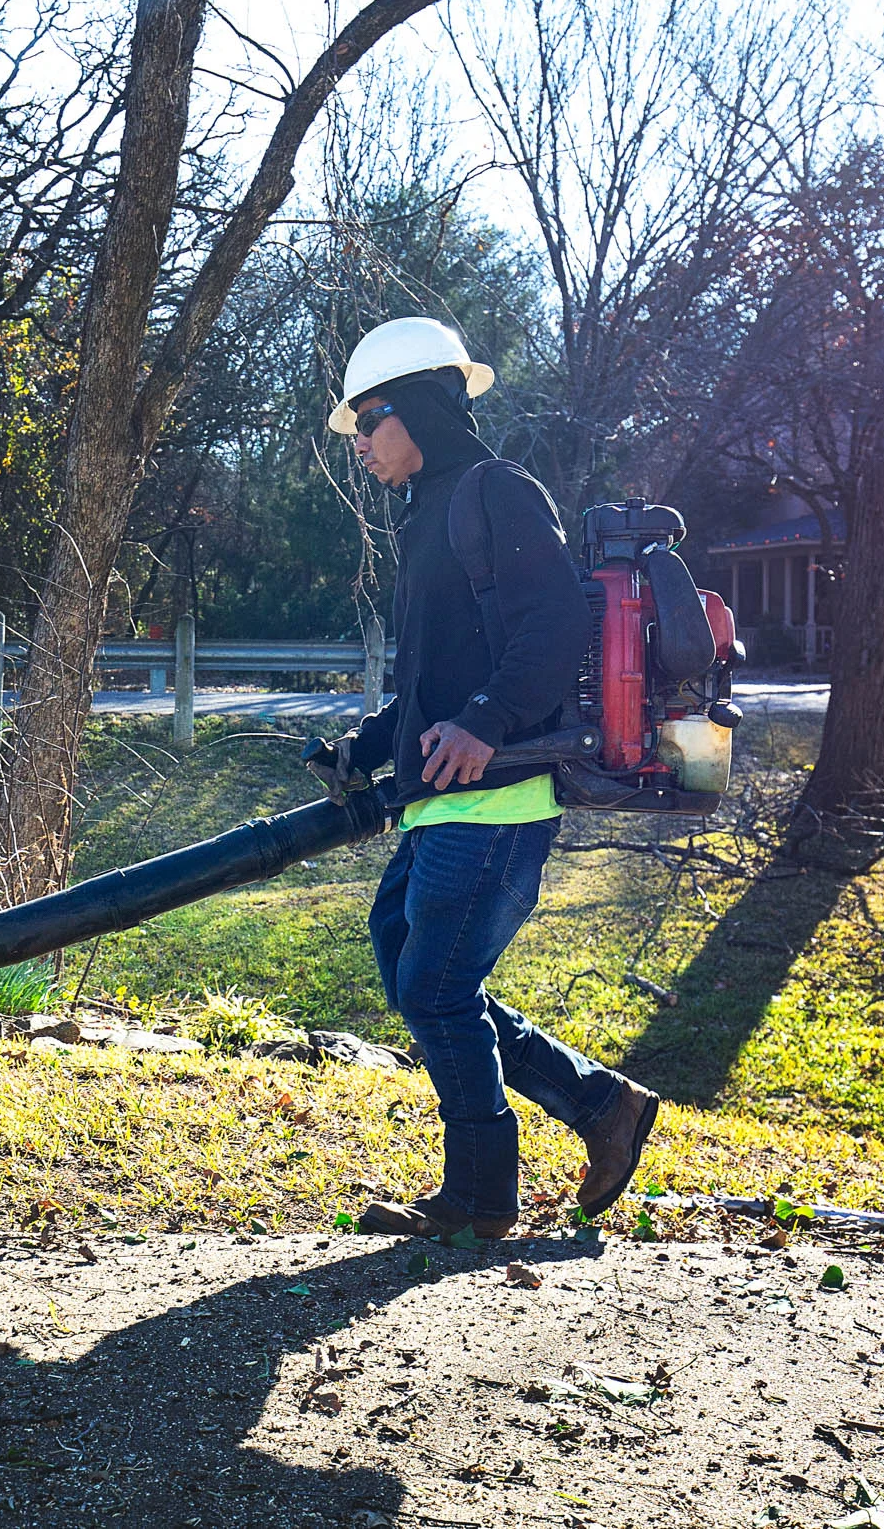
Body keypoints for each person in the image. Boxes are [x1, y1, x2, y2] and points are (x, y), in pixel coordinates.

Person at [314, 317, 658, 1241]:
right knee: (412, 969)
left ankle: (479, 1194)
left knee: (433, 987)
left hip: (499, 793)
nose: (360, 442)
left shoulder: (495, 492)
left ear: (421, 403)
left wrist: (485, 722)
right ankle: (600, 1106)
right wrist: (370, 741)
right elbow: (434, 684)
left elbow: (553, 630)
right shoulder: (432, 514)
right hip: (441, 801)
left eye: (369, 420)